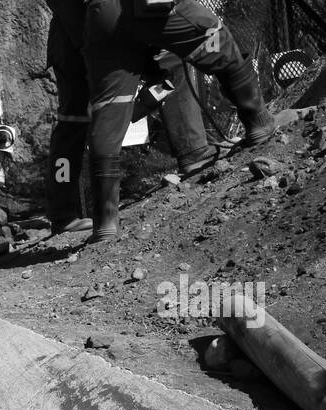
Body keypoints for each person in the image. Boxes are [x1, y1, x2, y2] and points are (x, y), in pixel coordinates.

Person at [82, 0, 276, 242]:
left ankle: (105, 222)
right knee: (216, 37)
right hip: (145, 6)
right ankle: (258, 122)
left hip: (100, 14)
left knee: (109, 109)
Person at [44, 0, 226, 235]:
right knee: (168, 62)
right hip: (95, 32)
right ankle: (193, 152)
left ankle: (64, 213)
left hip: (80, 32)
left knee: (73, 122)